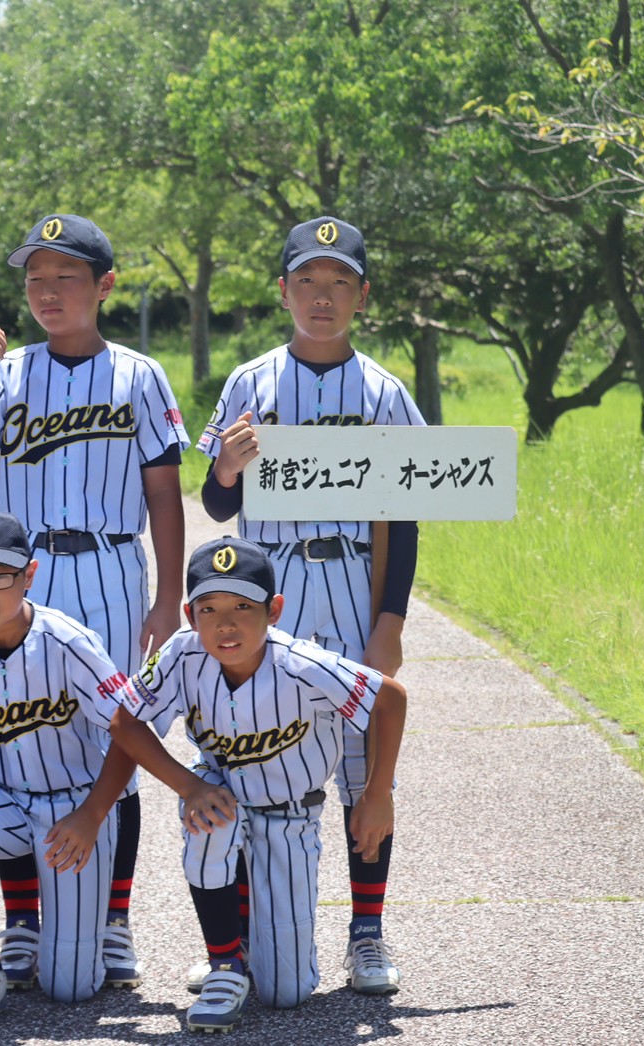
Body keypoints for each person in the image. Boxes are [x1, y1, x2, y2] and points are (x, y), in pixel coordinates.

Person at [0, 213, 189, 985]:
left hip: (112, 569)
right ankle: (21, 923)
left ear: (104, 286)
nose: (48, 292)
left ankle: (113, 922)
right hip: (20, 576)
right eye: (35, 279)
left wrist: (167, 595)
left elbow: (164, 494)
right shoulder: (5, 376)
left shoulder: (141, 374)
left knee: (121, 740)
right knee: (11, 742)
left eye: (66, 277)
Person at [197, 216, 424, 994]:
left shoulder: (385, 391)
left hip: (353, 588)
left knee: (364, 774)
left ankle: (367, 932)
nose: (320, 298)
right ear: (283, 289)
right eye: (306, 281)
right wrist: (227, 466)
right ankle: (241, 940)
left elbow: (405, 513)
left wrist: (388, 622)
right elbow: (216, 503)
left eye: (337, 283)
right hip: (273, 596)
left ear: (362, 294)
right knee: (257, 763)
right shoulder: (248, 382)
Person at [110, 538, 406, 1031]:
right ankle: (226, 960)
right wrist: (188, 786)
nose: (226, 624)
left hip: (291, 812)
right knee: (210, 821)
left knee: (285, 994)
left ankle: (250, 943)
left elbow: (390, 698)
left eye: (243, 607)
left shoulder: (301, 664)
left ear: (275, 610)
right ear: (189, 613)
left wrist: (375, 795)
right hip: (221, 796)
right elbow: (124, 720)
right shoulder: (182, 654)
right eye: (209, 608)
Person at [0, 510, 136, 1022]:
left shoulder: (69, 642)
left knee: (71, 990)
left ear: (30, 575)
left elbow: (129, 733)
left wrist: (93, 814)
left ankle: (99, 929)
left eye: (0, 576)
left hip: (76, 806)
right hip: (5, 795)